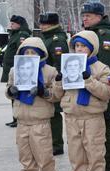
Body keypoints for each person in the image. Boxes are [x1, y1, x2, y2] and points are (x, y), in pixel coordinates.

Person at [54, 30, 110, 171]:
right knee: (76, 153)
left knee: (94, 153)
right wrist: (58, 81)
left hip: (92, 116)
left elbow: (106, 93)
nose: (79, 49)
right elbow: (57, 95)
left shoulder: (101, 68)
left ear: (92, 48)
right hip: (72, 115)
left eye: (83, 46)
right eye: (76, 46)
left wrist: (88, 79)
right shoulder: (68, 65)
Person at [5, 37, 61, 171]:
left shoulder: (49, 71)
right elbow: (7, 89)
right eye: (26, 52)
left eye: (33, 52)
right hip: (22, 120)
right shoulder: (15, 70)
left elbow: (57, 94)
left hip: (40, 120)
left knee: (44, 155)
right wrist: (11, 91)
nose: (29, 55)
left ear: (41, 54)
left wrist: (43, 91)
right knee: (25, 155)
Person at [81, 1, 110, 171]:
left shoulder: (104, 35)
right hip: (87, 88)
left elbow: (108, 65)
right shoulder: (90, 34)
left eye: (88, 16)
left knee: (103, 129)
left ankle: (107, 166)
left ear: (99, 17)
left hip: (99, 88)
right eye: (83, 16)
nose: (85, 19)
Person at [39, 12, 69, 156]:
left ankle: (57, 144)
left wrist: (56, 81)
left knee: (55, 113)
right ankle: (52, 142)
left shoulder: (57, 40)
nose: (42, 26)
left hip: (53, 81)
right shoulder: (48, 37)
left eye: (44, 24)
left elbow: (59, 63)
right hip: (47, 80)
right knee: (50, 112)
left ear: (52, 25)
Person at [3, 15, 31, 128]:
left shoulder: (22, 35)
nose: (11, 25)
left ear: (19, 24)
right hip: (12, 69)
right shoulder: (15, 34)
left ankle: (18, 118)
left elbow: (22, 52)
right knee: (12, 93)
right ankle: (15, 118)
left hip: (18, 69)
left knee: (16, 95)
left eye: (13, 24)